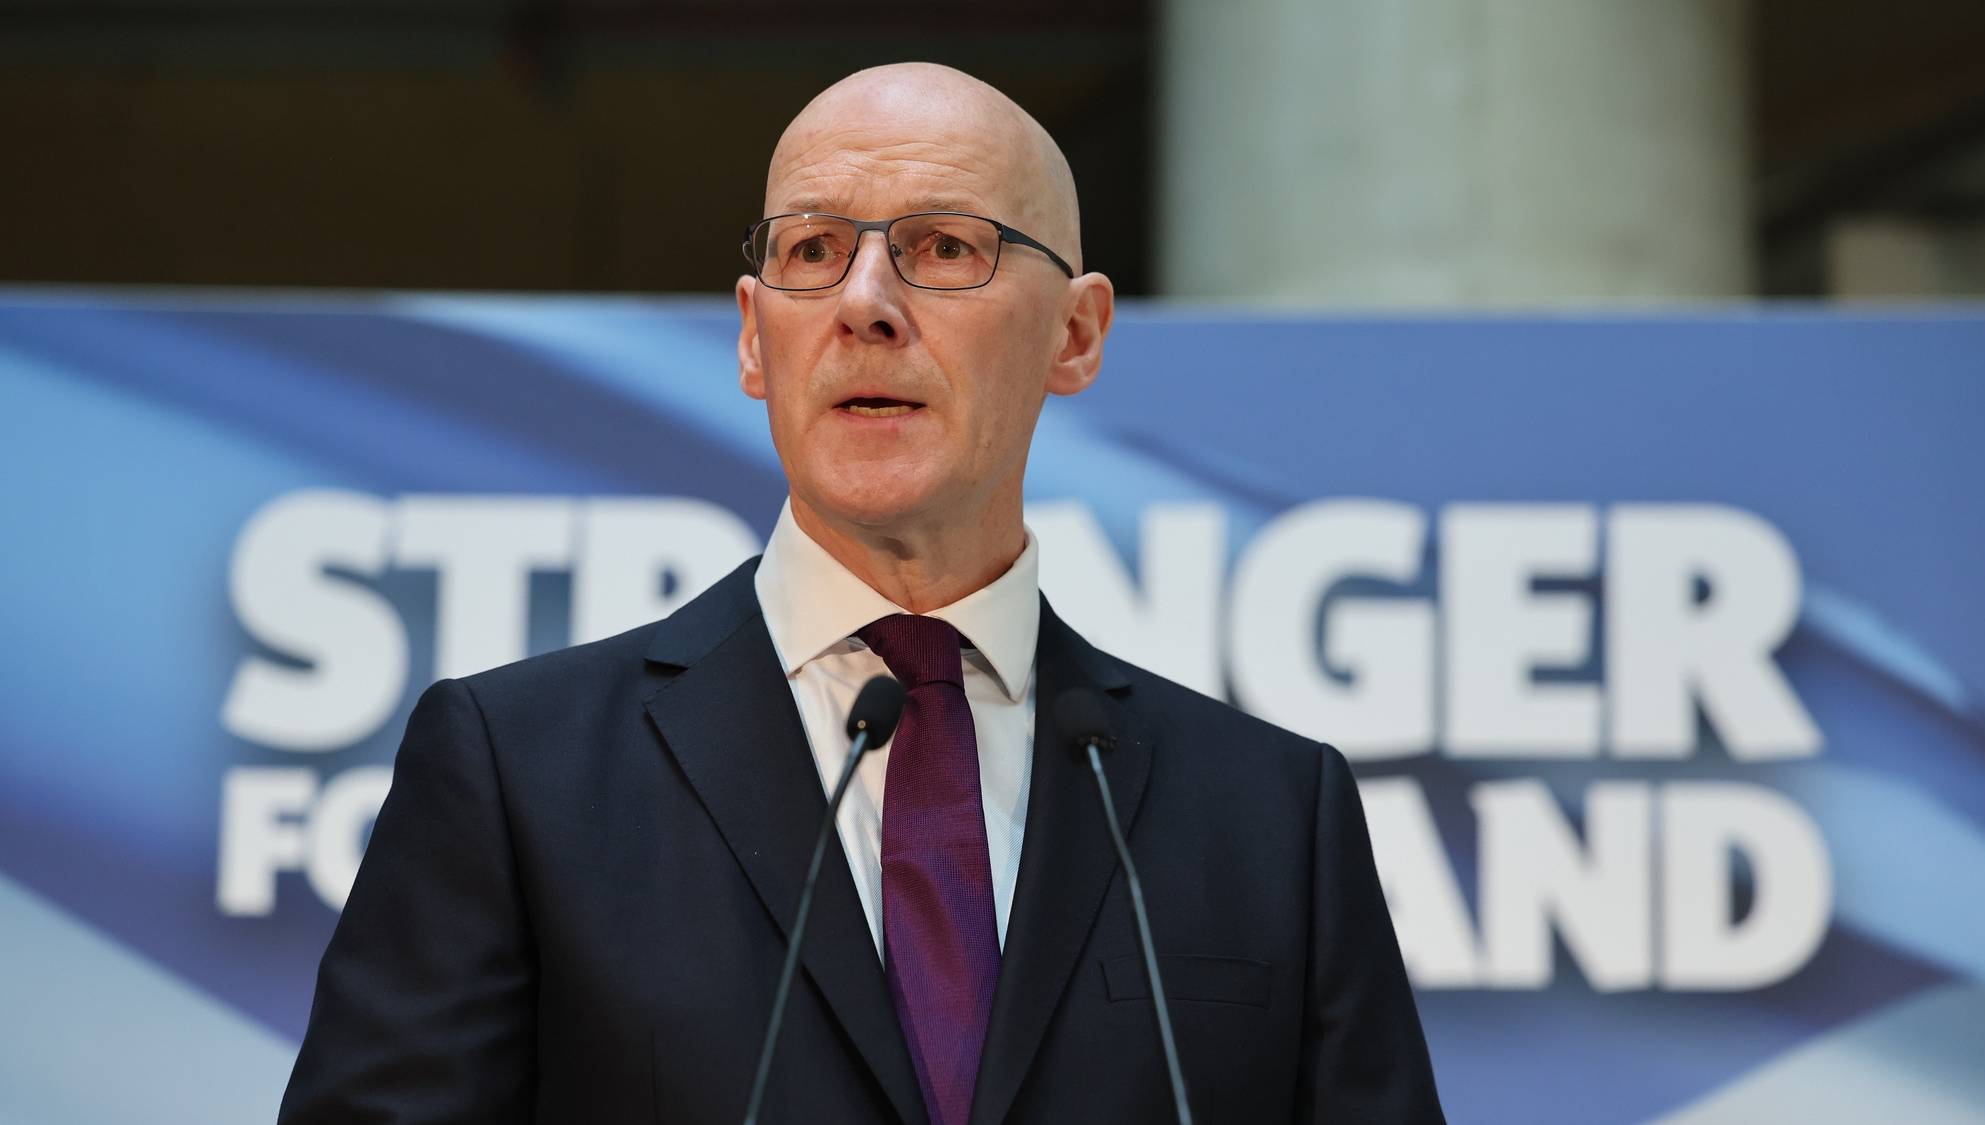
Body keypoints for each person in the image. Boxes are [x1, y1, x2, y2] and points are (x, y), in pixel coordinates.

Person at [278, 62, 1444, 1124]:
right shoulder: (513, 773)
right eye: (810, 251)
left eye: (944, 248)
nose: (864, 302)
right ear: (751, 339)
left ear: (1076, 334)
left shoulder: (1272, 817)